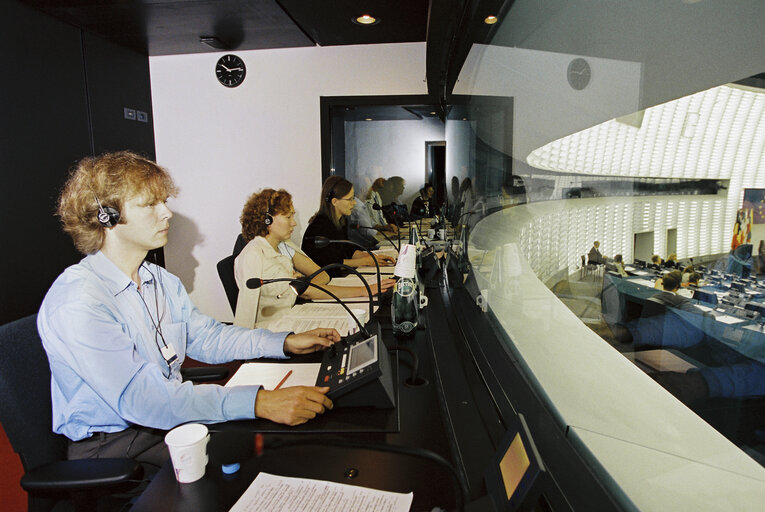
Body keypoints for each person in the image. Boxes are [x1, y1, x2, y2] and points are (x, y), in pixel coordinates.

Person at [37, 152, 340, 469]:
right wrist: (259, 401)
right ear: (107, 217)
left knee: (286, 448)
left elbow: (207, 338)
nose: (167, 213)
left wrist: (283, 342)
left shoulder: (159, 281)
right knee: (254, 467)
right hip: (115, 448)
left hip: (166, 420)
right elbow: (144, 401)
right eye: (150, 204)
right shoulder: (79, 302)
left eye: (164, 201)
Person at [234, 189, 394, 328]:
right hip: (274, 330)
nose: (294, 223)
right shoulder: (253, 256)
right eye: (288, 217)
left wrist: (300, 285)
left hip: (294, 315)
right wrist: (364, 290)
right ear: (267, 221)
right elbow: (244, 320)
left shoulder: (283, 245)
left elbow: (322, 275)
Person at [302, 176, 396, 277]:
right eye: (349, 199)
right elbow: (330, 262)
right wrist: (364, 261)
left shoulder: (341, 221)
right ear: (335, 201)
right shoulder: (320, 226)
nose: (354, 203)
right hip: (323, 281)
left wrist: (372, 257)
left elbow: (347, 249)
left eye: (353, 198)